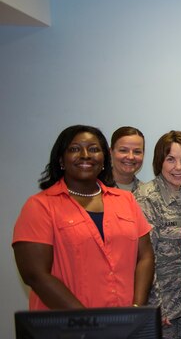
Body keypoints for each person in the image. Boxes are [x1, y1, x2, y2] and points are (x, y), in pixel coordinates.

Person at [13, 125, 154, 309]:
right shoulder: (40, 206)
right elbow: (35, 275)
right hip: (65, 329)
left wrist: (136, 309)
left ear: (104, 158)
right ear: (61, 160)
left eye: (94, 149)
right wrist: (88, 322)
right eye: (74, 149)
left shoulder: (126, 200)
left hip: (124, 326)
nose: (86, 155)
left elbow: (145, 256)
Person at [135, 131, 181, 339]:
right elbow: (144, 258)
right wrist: (156, 307)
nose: (179, 167)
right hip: (163, 311)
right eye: (170, 159)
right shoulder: (146, 198)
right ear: (159, 162)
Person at [110, 126, 146, 192]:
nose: (130, 157)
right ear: (111, 152)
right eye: (123, 150)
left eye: (137, 152)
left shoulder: (147, 193)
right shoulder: (94, 187)